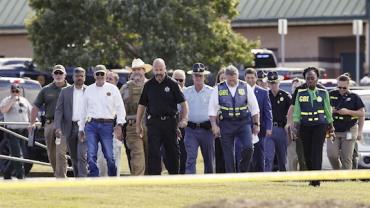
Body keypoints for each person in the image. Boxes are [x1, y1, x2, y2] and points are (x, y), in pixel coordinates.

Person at [136, 58, 188, 175]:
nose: (159, 72)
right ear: (153, 70)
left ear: (165, 69)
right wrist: (138, 124)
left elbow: (184, 104)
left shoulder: (173, 84)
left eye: (161, 69)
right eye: (156, 70)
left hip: (170, 123)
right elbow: (141, 105)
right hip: (154, 123)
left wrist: (184, 119)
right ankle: (155, 178)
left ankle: (174, 177)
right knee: (153, 152)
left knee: (173, 152)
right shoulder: (148, 85)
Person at [209, 65, 260, 173]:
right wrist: (214, 125)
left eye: (234, 79)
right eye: (230, 80)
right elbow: (212, 110)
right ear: (226, 77)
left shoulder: (245, 87)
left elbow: (254, 108)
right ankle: (231, 176)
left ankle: (242, 170)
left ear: (237, 76)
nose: (232, 82)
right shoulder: (218, 88)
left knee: (249, 147)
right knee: (228, 155)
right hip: (226, 124)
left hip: (243, 123)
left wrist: (256, 124)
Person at [78, 65, 126, 177]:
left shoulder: (113, 89)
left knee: (109, 156)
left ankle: (113, 178)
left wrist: (119, 124)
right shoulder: (88, 89)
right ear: (94, 75)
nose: (100, 76)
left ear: (105, 74)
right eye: (97, 74)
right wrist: (81, 128)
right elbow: (83, 111)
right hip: (91, 125)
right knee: (91, 154)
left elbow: (120, 108)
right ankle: (94, 178)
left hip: (107, 125)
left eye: (102, 74)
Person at [292, 67, 334, 187]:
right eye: (308, 78)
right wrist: (295, 127)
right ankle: (311, 177)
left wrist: (331, 126)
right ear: (305, 80)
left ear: (317, 79)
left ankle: (316, 180)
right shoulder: (300, 93)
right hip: (305, 126)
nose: (310, 80)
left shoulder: (323, 92)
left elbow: (327, 110)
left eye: (312, 78)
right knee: (307, 153)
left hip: (319, 126)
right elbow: (297, 112)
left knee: (317, 151)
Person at [29, 64, 69, 178]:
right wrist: (32, 122)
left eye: (60, 73)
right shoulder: (46, 89)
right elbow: (36, 106)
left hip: (64, 124)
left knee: (61, 153)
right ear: (52, 75)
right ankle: (58, 175)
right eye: (56, 73)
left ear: (65, 74)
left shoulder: (70, 89)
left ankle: (61, 178)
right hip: (49, 123)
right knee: (51, 153)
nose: (58, 75)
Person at [54, 67, 87, 177]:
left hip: (84, 127)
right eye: (77, 76)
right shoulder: (65, 91)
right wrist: (57, 127)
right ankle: (78, 177)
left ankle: (82, 178)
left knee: (82, 154)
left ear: (84, 77)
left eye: (82, 76)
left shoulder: (89, 91)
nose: (79, 78)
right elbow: (59, 110)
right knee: (73, 156)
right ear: (73, 77)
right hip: (70, 127)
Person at [120, 58, 151, 175]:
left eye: (139, 69)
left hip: (151, 126)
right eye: (135, 69)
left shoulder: (152, 85)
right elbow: (118, 109)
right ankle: (137, 184)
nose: (137, 71)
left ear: (144, 70)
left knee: (152, 159)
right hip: (132, 127)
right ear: (131, 72)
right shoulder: (125, 88)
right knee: (138, 159)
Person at [327, 74, 365, 170]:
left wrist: (347, 112)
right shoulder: (330, 94)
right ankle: (338, 173)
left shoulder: (354, 97)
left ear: (349, 86)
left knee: (346, 157)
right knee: (332, 155)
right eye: (339, 87)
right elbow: (322, 109)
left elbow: (361, 113)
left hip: (349, 129)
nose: (342, 89)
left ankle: (345, 179)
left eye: (344, 87)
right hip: (333, 129)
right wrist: (331, 110)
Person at [183, 63, 214, 174]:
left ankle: (209, 183)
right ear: (192, 77)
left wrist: (215, 126)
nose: (198, 78)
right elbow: (180, 110)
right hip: (191, 129)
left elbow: (216, 110)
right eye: (196, 75)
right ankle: (190, 182)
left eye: (200, 75)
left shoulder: (211, 92)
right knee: (190, 158)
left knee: (209, 160)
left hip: (207, 130)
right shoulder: (186, 92)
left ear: (204, 77)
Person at [242, 68, 272, 172]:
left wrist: (269, 127)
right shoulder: (240, 91)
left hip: (260, 129)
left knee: (259, 155)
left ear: (256, 78)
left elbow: (267, 111)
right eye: (248, 78)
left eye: (252, 77)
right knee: (246, 154)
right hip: (243, 129)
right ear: (244, 78)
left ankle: (260, 176)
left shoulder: (263, 92)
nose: (250, 80)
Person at [0, 84, 32, 179]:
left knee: (18, 154)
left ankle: (7, 172)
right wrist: (12, 101)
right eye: (13, 91)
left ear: (20, 92)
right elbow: (3, 110)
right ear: (10, 91)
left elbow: (31, 113)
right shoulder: (6, 100)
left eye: (17, 91)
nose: (15, 93)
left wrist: (35, 121)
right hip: (12, 131)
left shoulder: (25, 101)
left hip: (23, 131)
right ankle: (20, 175)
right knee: (18, 154)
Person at [96, 71, 124, 176]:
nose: (107, 80)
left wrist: (120, 126)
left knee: (114, 160)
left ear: (116, 82)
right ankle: (102, 183)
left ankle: (114, 183)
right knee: (101, 160)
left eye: (110, 79)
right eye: (106, 78)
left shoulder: (118, 94)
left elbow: (121, 112)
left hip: (114, 131)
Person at [264, 71, 291, 172]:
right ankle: (267, 179)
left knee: (282, 158)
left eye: (275, 83)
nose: (273, 85)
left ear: (279, 83)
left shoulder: (286, 96)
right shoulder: (265, 95)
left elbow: (291, 112)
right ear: (268, 84)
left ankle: (283, 179)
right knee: (268, 157)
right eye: (271, 83)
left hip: (281, 129)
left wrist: (289, 125)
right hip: (268, 129)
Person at [286, 78, 306, 171]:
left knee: (303, 157)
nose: (296, 88)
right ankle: (292, 176)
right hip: (291, 131)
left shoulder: (305, 99)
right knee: (292, 157)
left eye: (298, 86)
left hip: (304, 130)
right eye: (294, 87)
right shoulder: (288, 98)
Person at [172, 69, 187, 174]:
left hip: (184, 127)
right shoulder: (166, 91)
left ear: (184, 81)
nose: (178, 82)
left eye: (180, 80)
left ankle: (182, 174)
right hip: (169, 126)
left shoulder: (188, 92)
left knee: (184, 152)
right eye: (175, 80)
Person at [214, 67, 226, 173]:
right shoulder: (214, 92)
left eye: (225, 78)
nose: (223, 81)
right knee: (218, 155)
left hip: (230, 128)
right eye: (221, 78)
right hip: (217, 128)